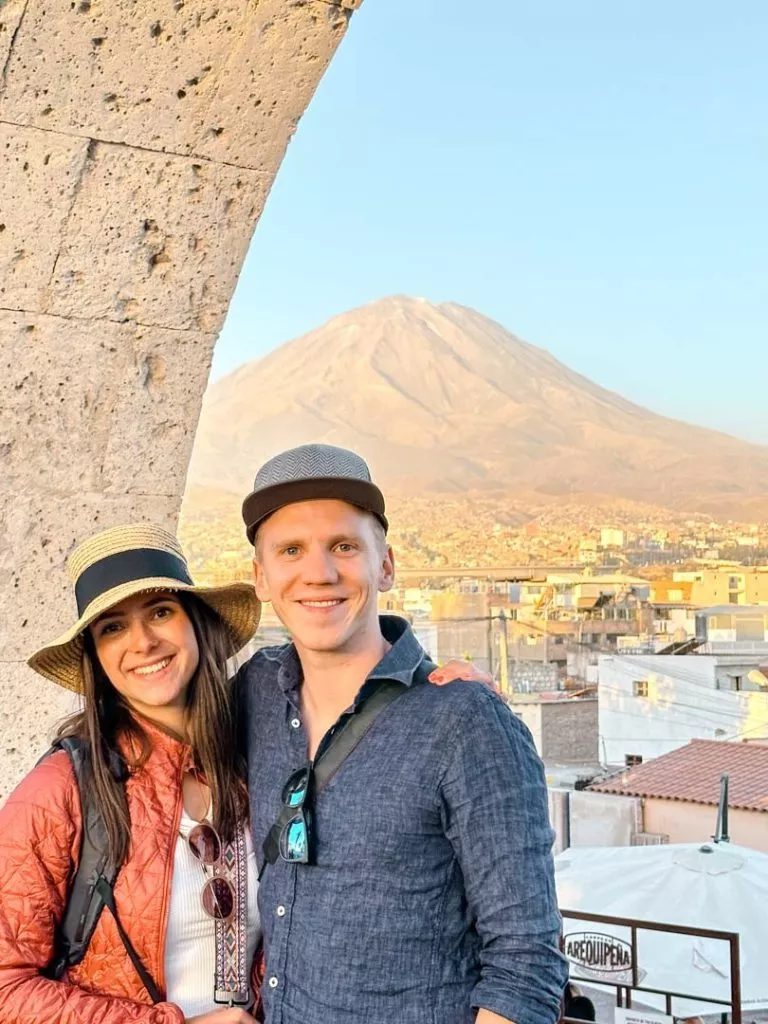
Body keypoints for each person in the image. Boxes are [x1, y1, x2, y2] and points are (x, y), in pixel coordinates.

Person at [237, 443, 568, 1024]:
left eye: (344, 546)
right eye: (291, 550)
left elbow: (526, 965)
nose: (319, 573)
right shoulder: (255, 692)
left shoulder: (464, 723)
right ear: (260, 577)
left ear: (385, 565)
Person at [0, 525, 263, 1024]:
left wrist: (431, 682)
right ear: (96, 659)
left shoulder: (255, 758)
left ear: (196, 625)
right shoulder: (59, 792)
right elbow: (5, 987)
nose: (143, 642)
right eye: (112, 627)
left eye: (161, 611)